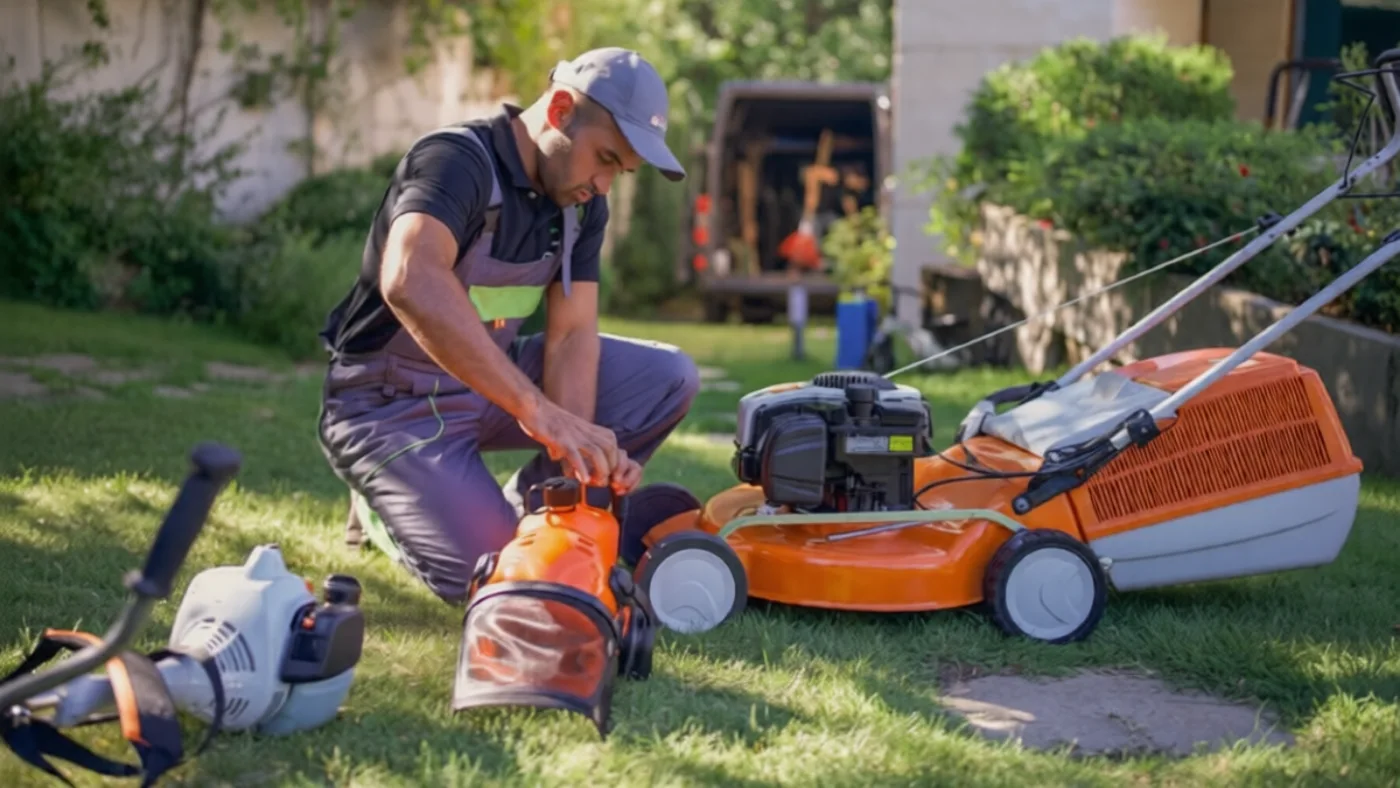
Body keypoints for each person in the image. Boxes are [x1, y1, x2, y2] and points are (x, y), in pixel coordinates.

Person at [315, 48, 701, 605]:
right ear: (562, 108)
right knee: (512, 581)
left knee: (669, 376)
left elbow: (571, 337)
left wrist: (579, 463)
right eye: (605, 158)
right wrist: (539, 411)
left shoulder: (583, 205)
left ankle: (538, 511)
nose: (606, 184)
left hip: (486, 386)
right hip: (386, 403)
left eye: (621, 171)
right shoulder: (456, 160)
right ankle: (385, 511)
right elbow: (410, 278)